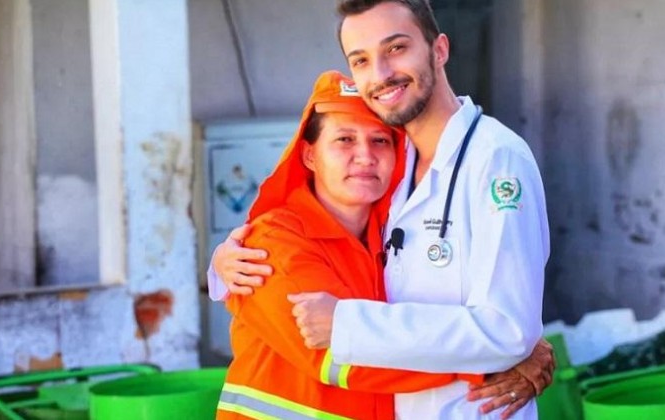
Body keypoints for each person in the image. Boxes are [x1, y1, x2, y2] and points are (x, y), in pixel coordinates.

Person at [211, 1, 553, 418]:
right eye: (361, 59)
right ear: (309, 156)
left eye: (396, 48)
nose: (381, 73)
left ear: (439, 50)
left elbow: (508, 328)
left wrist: (345, 324)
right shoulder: (394, 181)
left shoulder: (497, 161)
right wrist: (220, 265)